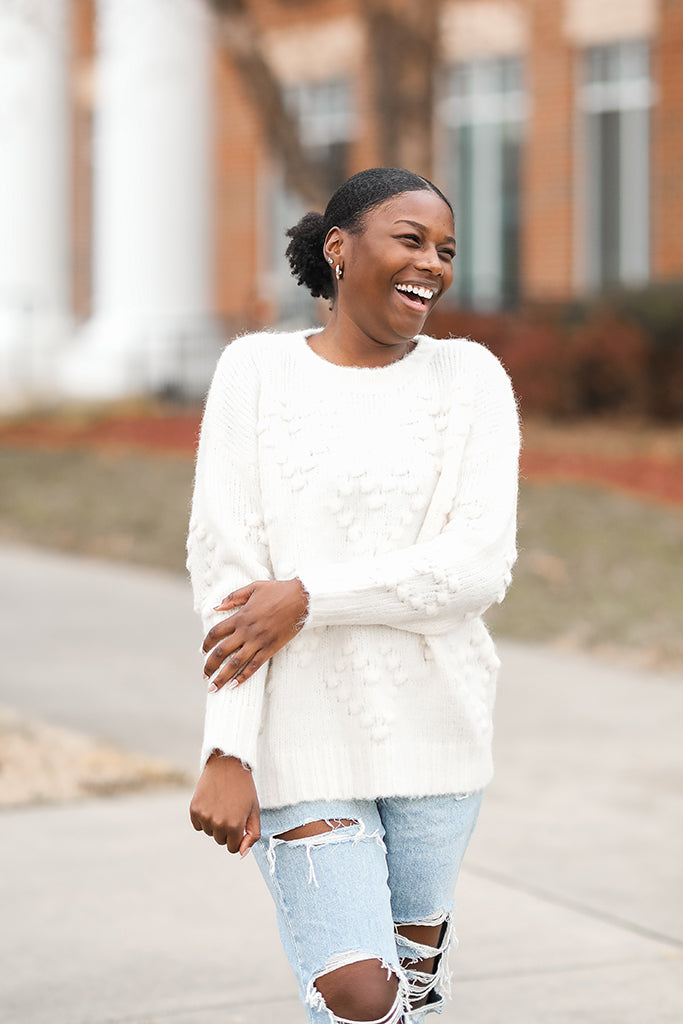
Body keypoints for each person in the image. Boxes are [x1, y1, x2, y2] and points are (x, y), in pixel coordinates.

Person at [187, 166, 520, 1024]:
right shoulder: (253, 370)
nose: (432, 264)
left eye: (445, 249)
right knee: (360, 997)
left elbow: (475, 569)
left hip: (436, 738)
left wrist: (307, 596)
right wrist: (228, 749)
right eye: (410, 239)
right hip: (297, 736)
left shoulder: (470, 379)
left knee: (412, 995)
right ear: (339, 249)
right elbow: (229, 581)